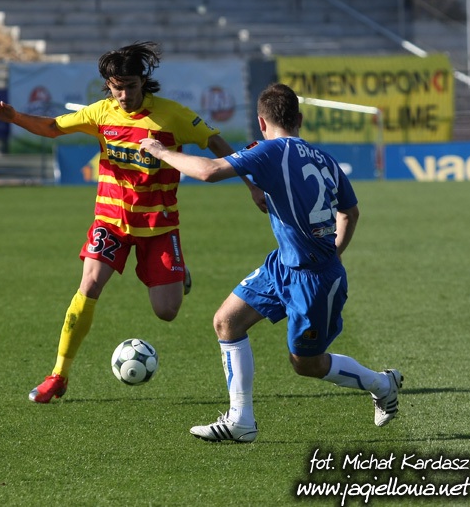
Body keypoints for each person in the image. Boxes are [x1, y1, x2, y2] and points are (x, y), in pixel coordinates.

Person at [0, 41, 265, 403]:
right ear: (108, 86)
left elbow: (216, 142)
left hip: (158, 226)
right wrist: (15, 117)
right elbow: (53, 127)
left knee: (167, 312)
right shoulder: (101, 113)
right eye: (118, 88)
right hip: (111, 221)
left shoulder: (171, 115)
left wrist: (252, 185)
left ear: (143, 81)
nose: (125, 95)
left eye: (131, 86)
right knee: (89, 285)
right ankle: (58, 375)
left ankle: (179, 273)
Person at [139, 83, 402, 443]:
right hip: (284, 265)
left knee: (306, 364)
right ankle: (240, 420)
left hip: (313, 280)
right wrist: (335, 250)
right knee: (226, 322)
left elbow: (208, 171)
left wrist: (159, 150)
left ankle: (382, 384)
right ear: (300, 118)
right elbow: (350, 213)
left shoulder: (270, 150)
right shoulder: (323, 158)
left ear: (262, 123)